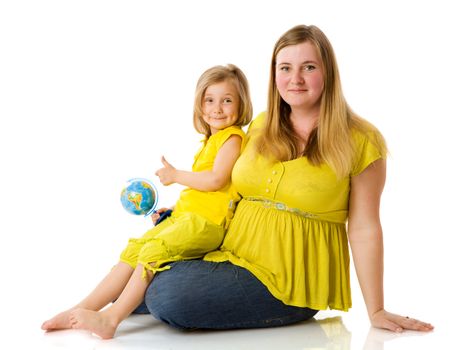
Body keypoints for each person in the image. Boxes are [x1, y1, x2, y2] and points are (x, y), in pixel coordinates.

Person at [139, 25, 434, 333]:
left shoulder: (362, 140)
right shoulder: (261, 124)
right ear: (274, 74)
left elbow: (365, 228)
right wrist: (180, 215)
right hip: (230, 252)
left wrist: (376, 310)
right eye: (285, 68)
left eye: (309, 67)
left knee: (165, 294)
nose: (296, 79)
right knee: (140, 261)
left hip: (291, 281)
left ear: (328, 72)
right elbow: (227, 188)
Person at [41, 64, 253, 339]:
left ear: (241, 104)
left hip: (206, 225)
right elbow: (203, 193)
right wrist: (174, 210)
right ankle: (80, 309)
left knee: (152, 253)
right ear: (200, 106)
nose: (217, 108)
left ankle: (111, 318)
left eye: (227, 100)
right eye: (209, 100)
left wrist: (176, 175)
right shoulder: (209, 141)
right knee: (134, 251)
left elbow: (215, 181)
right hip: (189, 217)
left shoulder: (232, 138)